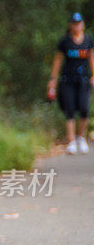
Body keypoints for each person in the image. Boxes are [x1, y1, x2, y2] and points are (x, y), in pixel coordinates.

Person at [47, 12, 94, 154]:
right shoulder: (65, 42)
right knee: (70, 109)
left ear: (83, 25)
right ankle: (71, 141)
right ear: (71, 25)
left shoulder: (88, 40)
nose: (77, 26)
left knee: (84, 108)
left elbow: (92, 57)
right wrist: (53, 81)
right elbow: (58, 61)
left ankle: (81, 137)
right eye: (74, 23)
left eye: (79, 23)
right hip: (68, 80)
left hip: (84, 80)